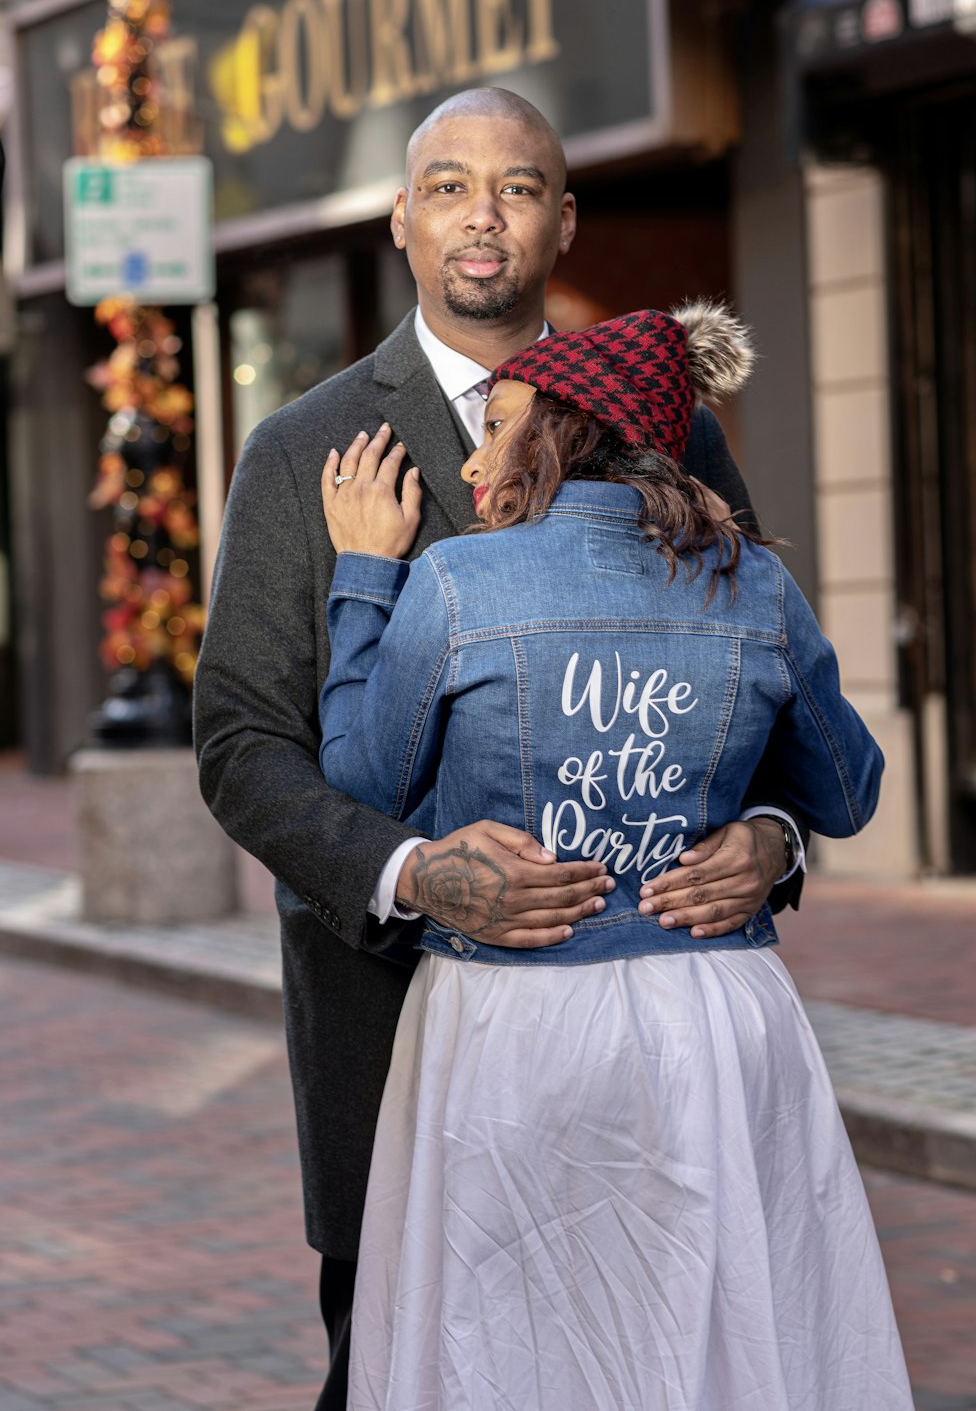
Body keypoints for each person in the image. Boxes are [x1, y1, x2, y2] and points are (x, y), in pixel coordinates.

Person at [193, 87, 806, 1410]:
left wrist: (773, 840)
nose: (485, 214)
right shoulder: (303, 449)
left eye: (519, 186)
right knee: (401, 1374)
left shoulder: (674, 429)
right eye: (452, 185)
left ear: (565, 219)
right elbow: (242, 740)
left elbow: (763, 680)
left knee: (659, 1367)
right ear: (404, 218)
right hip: (391, 1021)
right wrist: (410, 871)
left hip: (647, 1048)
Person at [316, 303, 913, 1411]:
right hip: (716, 1011)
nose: (473, 456)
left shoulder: (454, 585)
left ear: (558, 432)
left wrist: (363, 572)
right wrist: (770, 831)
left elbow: (358, 782)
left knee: (513, 1339)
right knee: (720, 1324)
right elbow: (848, 787)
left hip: (510, 1019)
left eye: (496, 426)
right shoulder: (755, 585)